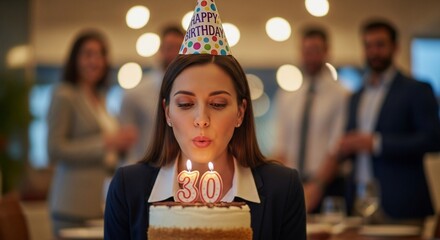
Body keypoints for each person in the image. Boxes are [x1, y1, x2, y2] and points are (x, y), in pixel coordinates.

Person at [104, 1, 306, 239]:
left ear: (241, 112)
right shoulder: (129, 188)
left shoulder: (282, 188)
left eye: (218, 104)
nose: (201, 120)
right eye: (186, 104)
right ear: (167, 112)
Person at [339, 19, 440, 223]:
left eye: (380, 44)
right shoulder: (356, 96)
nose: (373, 52)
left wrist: (376, 143)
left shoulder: (417, 89)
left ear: (395, 47)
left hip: (402, 201)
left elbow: (433, 140)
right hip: (359, 200)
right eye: (368, 45)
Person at [47, 30, 137, 235]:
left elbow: (108, 152)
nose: (95, 61)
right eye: (88, 54)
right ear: (75, 58)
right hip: (72, 205)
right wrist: (106, 142)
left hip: (100, 204)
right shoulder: (65, 94)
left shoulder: (101, 98)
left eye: (100, 55)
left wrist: (122, 143)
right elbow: (54, 148)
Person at [271, 26, 349, 212]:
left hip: (329, 184)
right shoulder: (288, 96)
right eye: (306, 51)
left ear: (327, 51)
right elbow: (282, 146)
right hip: (294, 182)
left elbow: (337, 146)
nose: (311, 57)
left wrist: (317, 186)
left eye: (316, 51)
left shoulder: (342, 95)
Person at [119, 25, 184, 164]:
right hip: (145, 166)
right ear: (160, 51)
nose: (175, 53)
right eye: (169, 47)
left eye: (180, 48)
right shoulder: (136, 93)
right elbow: (126, 138)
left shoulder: (194, 90)